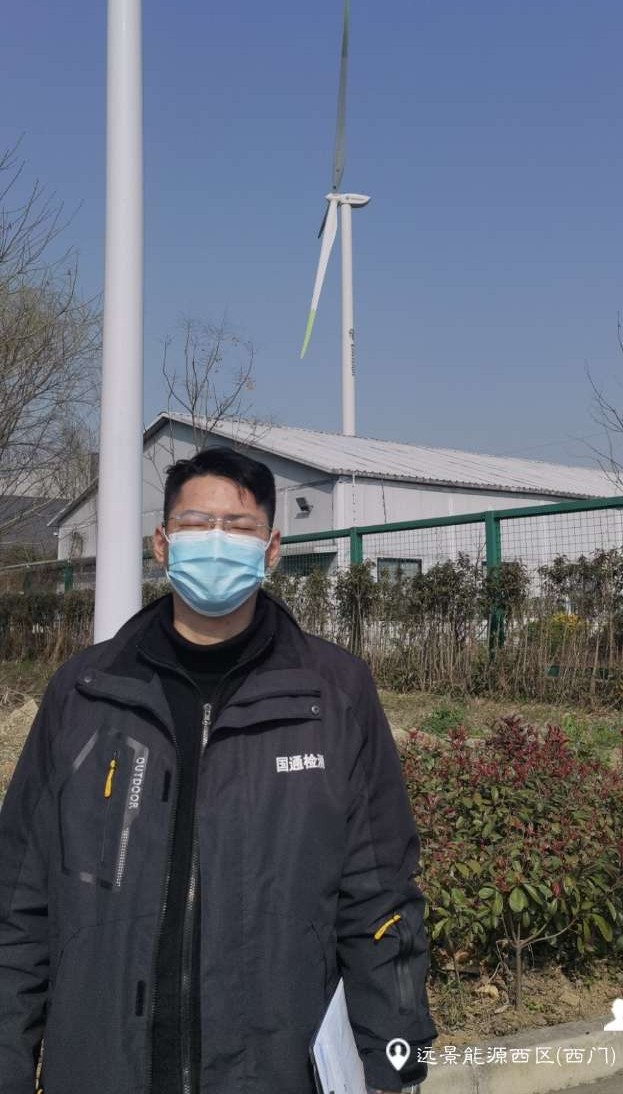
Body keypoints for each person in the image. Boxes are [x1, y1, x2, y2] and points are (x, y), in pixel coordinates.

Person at [0, 445, 437, 1094]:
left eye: (237, 527)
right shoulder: (85, 693)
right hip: (101, 1068)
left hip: (274, 1069)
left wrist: (396, 1067)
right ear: (161, 543)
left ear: (271, 549)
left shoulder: (334, 694)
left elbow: (382, 902)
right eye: (195, 523)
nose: (215, 541)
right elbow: (18, 903)